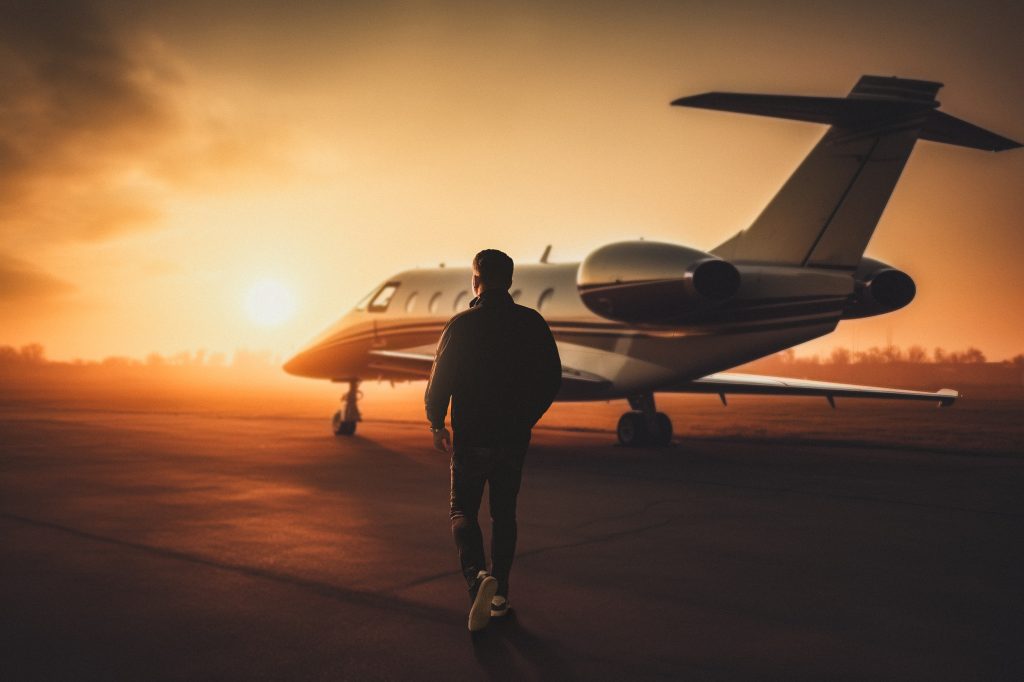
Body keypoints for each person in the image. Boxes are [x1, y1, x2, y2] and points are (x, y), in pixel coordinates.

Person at [425, 249, 562, 632]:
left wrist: (437, 423)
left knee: (462, 512)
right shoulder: (531, 323)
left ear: (476, 280)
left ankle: (477, 579)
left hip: (472, 438)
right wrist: (527, 417)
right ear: (511, 280)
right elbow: (552, 377)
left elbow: (440, 381)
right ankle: (500, 594)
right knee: (504, 515)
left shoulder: (462, 325)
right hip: (512, 439)